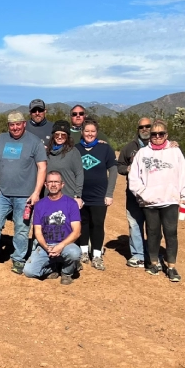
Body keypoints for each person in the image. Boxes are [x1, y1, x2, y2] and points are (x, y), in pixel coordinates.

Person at [0, 111, 47, 275]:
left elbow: (42, 167)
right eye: (11, 124)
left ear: (24, 124)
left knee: (22, 228)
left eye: (18, 124)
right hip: (3, 194)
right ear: (8, 125)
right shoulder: (1, 139)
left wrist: (37, 192)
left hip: (25, 196)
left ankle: (18, 260)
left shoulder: (34, 141)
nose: (15, 127)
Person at [127, 120, 185, 282]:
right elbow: (133, 178)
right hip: (149, 203)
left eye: (160, 134)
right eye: (154, 134)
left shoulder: (175, 152)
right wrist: (144, 194)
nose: (157, 137)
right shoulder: (142, 153)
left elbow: (184, 175)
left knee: (171, 234)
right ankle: (154, 263)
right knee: (153, 233)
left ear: (166, 135)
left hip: (170, 200)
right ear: (150, 136)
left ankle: (171, 267)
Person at [23, 171, 82, 285]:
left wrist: (60, 246)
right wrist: (47, 247)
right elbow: (38, 231)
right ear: (45, 185)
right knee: (29, 271)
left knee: (74, 253)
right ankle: (54, 268)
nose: (53, 185)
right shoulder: (40, 204)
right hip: (46, 245)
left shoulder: (71, 203)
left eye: (56, 182)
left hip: (65, 244)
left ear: (62, 184)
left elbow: (77, 232)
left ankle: (67, 272)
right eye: (50, 182)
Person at [76, 119, 118, 271]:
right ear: (82, 132)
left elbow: (113, 170)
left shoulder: (105, 149)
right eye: (87, 131)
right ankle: (83, 253)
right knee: (82, 223)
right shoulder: (76, 149)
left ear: (97, 132)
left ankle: (97, 255)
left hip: (99, 195)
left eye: (93, 131)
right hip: (80, 194)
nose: (90, 134)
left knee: (98, 224)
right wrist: (75, 195)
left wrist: (109, 193)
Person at [116, 117, 155, 268]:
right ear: (138, 130)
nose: (145, 129)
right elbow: (119, 166)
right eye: (141, 127)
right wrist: (127, 169)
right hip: (133, 193)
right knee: (135, 223)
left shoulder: (161, 146)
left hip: (154, 193)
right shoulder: (129, 148)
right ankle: (138, 255)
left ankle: (152, 254)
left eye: (148, 126)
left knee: (153, 225)